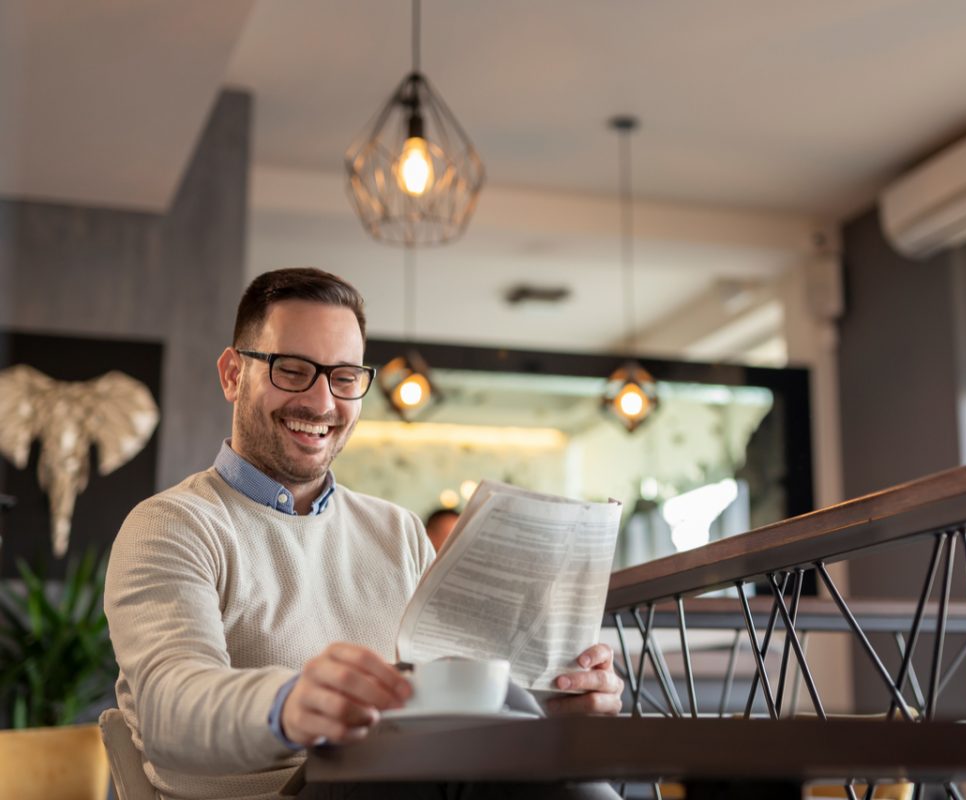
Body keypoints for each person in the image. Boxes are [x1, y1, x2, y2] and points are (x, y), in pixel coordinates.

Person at [104, 268, 622, 800]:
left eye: (344, 377)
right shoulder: (171, 525)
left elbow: (451, 707)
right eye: (293, 369)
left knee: (544, 765)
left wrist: (548, 704)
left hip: (402, 778)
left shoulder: (398, 532)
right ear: (233, 374)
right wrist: (291, 702)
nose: (322, 403)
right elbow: (171, 709)